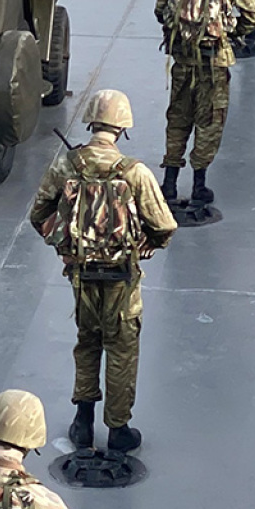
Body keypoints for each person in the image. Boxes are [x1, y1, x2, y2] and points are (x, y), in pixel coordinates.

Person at [27, 89, 177, 453]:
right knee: (122, 349)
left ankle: (83, 423)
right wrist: (148, 246)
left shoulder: (67, 165)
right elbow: (164, 225)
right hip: (122, 279)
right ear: (122, 128)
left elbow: (39, 214)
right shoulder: (134, 172)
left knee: (88, 342)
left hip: (82, 276)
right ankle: (118, 429)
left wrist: (65, 247)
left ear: (91, 122)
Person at [156, 0, 255, 211]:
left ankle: (169, 183)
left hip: (182, 58)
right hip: (215, 60)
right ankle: (199, 185)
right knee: (209, 121)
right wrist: (231, 32)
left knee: (178, 117)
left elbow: (160, 9)